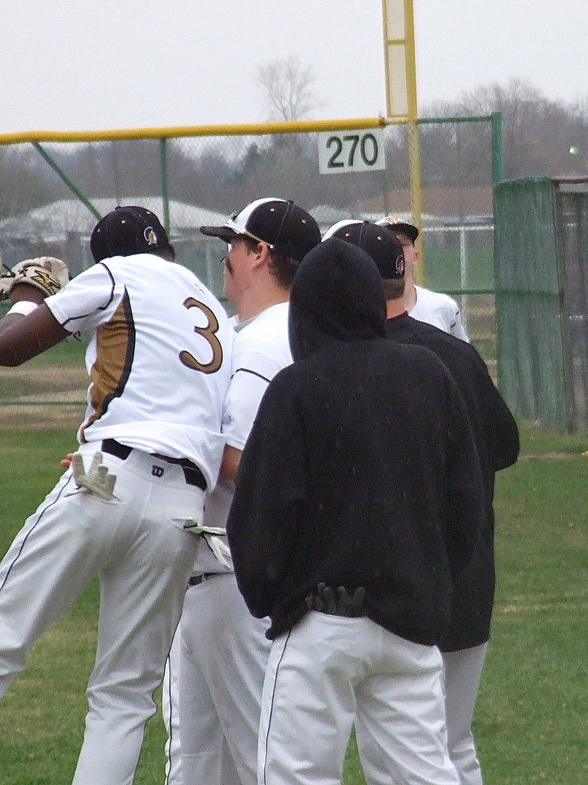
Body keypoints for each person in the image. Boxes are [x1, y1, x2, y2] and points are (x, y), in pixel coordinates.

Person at [0, 205, 231, 785]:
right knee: (125, 694)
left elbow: (8, 347)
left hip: (106, 478)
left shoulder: (114, 274)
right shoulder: (214, 310)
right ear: (169, 252)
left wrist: (30, 293)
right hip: (185, 506)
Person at [226, 237, 487, 785]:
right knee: (424, 775)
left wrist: (277, 600)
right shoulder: (428, 372)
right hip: (409, 621)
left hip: (320, 619)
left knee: (296, 775)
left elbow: (259, 517)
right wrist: (429, 581)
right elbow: (466, 503)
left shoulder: (297, 386)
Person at [324, 219, 519, 785]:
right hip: (466, 572)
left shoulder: (342, 364)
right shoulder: (453, 353)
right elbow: (504, 445)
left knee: (403, 753)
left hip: (391, 585)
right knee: (452, 744)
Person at [160, 197, 321, 785]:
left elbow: (253, 467)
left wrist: (162, 453)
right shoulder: (248, 333)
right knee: (200, 765)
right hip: (213, 581)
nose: (225, 255)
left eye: (235, 243)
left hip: (236, 578)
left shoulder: (266, 343)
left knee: (266, 761)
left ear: (261, 254)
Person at [377, 215, 469, 340]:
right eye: (388, 243)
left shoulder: (443, 307)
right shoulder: (361, 312)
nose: (396, 250)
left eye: (403, 244)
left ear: (415, 256)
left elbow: (460, 355)